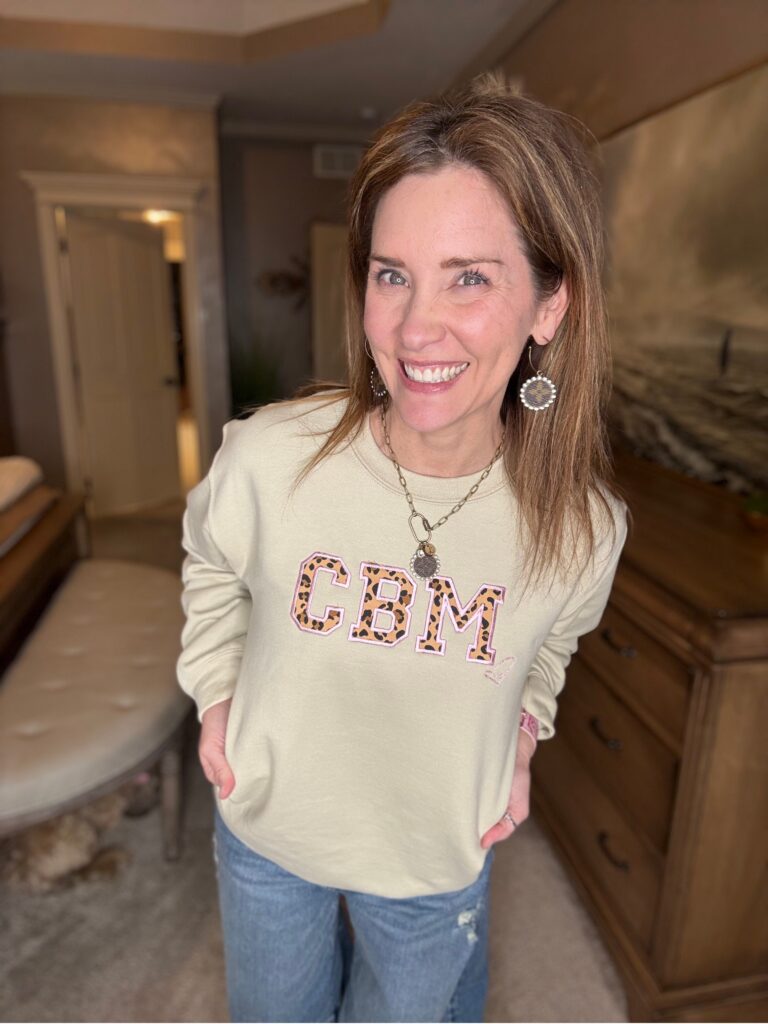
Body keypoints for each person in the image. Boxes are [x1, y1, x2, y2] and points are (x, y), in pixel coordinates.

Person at [176, 69, 630, 1023]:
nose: (417, 328)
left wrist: (522, 738)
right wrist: (216, 693)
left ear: (549, 306)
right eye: (393, 275)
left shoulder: (583, 529)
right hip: (269, 830)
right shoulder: (267, 458)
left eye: (470, 277)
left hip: (433, 854)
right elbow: (212, 563)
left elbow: (549, 645)